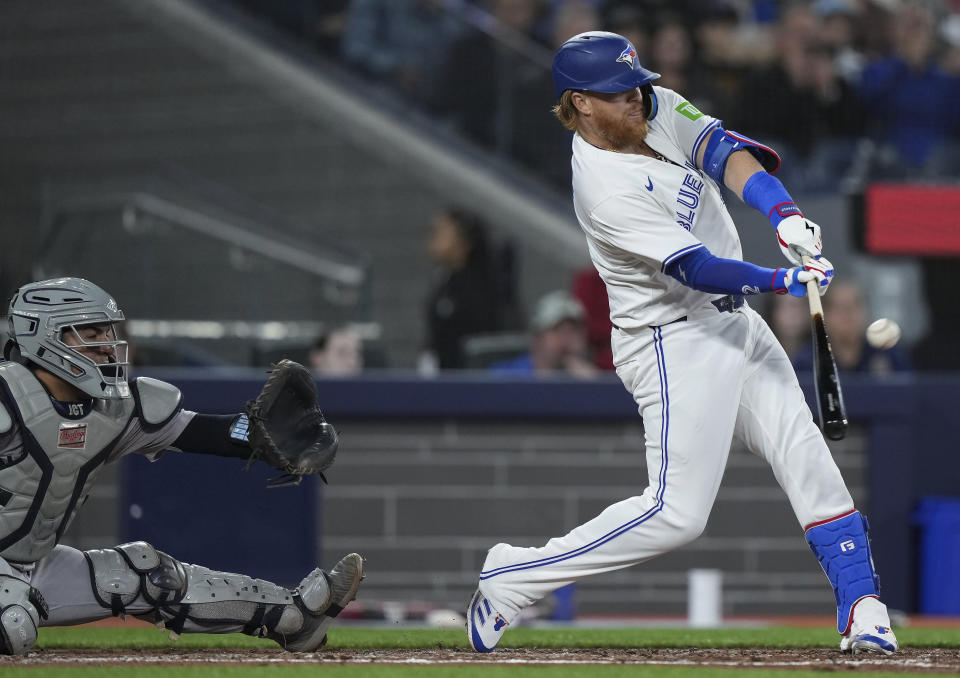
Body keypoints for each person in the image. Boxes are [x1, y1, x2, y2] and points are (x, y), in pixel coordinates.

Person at [466, 31, 898, 656]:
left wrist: (784, 216)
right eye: (618, 94)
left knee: (806, 457)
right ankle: (513, 576)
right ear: (581, 104)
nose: (637, 99)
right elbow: (694, 267)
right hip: (672, 341)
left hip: (732, 323)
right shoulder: (603, 188)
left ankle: (863, 605)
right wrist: (780, 279)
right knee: (677, 515)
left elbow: (724, 151)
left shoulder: (651, 104)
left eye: (636, 84)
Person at [0, 278, 364, 655]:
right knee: (12, 623)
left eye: (109, 333)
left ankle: (295, 617)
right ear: (42, 336)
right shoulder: (7, 396)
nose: (108, 346)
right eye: (91, 333)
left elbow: (199, 431)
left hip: (35, 566)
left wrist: (253, 434)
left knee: (150, 576)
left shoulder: (114, 410)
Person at [423, 207, 501, 370]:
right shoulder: (443, 280)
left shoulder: (481, 286)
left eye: (442, 232)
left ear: (464, 242)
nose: (434, 238)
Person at [793, 280, 909, 374]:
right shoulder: (808, 363)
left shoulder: (888, 356)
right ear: (824, 316)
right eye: (839, 307)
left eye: (855, 305)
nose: (848, 314)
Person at [491, 290, 597, 378]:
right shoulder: (504, 377)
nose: (566, 339)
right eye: (557, 330)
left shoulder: (590, 378)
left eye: (574, 331)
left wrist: (592, 386)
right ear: (537, 336)